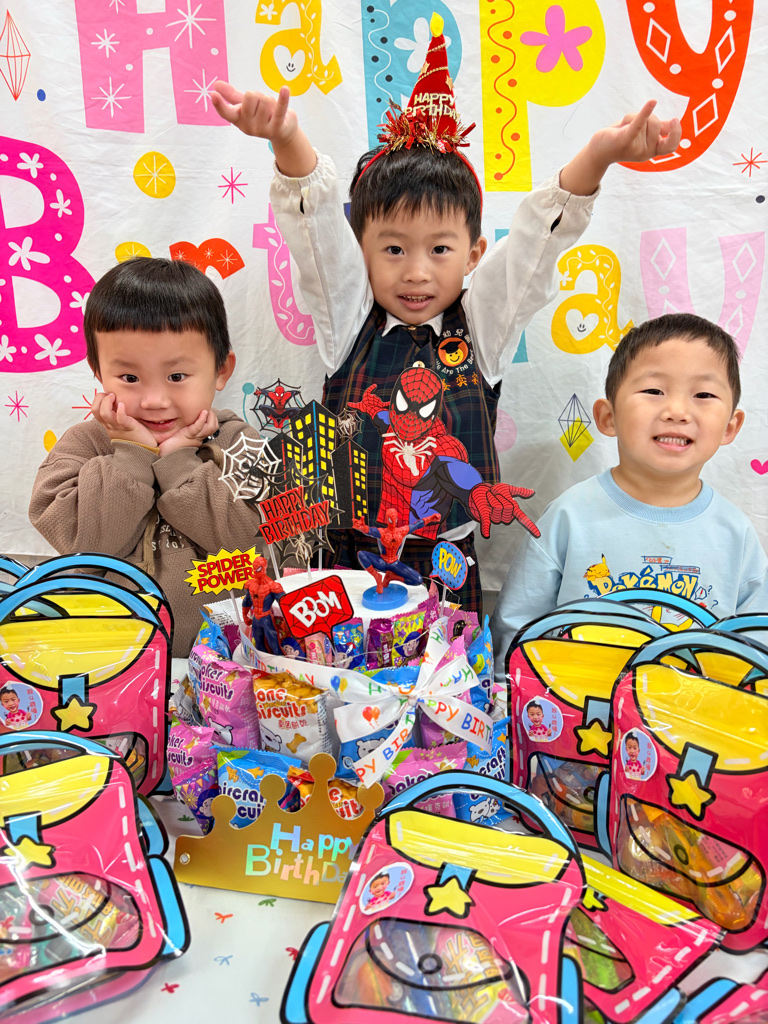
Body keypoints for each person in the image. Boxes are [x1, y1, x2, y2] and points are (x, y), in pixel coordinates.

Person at [211, 16, 680, 615]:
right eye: (393, 248)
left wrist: (598, 156)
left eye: (439, 249)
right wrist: (288, 142)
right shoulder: (347, 321)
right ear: (361, 253)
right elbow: (318, 235)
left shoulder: (482, 328)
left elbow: (536, 244)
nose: (416, 272)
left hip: (445, 564)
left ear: (474, 255)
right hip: (346, 555)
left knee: (449, 673)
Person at [490, 312, 768, 678]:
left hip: (695, 710)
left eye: (703, 394)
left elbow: (755, 646)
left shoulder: (735, 534)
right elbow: (517, 626)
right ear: (608, 417)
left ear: (730, 426)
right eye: (653, 391)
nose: (677, 411)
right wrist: (507, 697)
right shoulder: (571, 516)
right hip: (574, 707)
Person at [29, 257, 263, 657]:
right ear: (98, 371)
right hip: (109, 663)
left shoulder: (238, 441)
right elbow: (86, 547)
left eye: (177, 377)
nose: (154, 400)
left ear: (221, 370)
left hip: (227, 664)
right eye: (130, 378)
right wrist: (131, 454)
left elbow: (245, 542)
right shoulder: (83, 445)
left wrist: (179, 460)